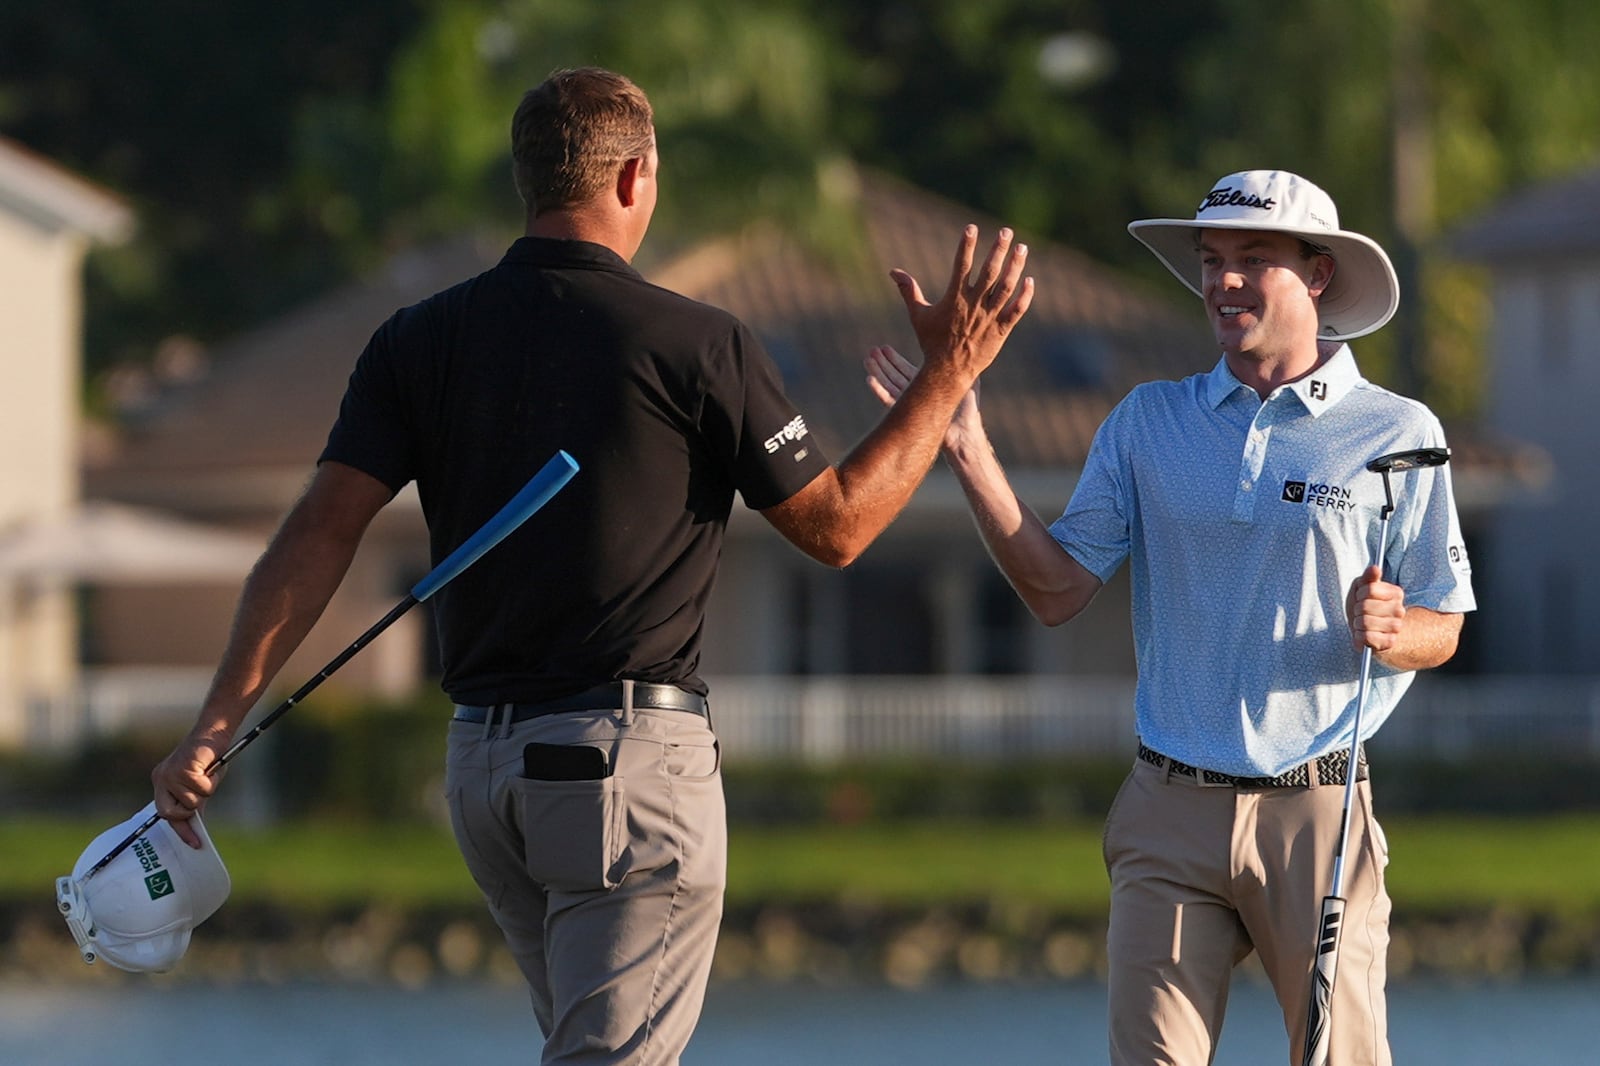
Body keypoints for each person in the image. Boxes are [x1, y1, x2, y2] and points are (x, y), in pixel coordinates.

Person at [150, 66, 1032, 1064]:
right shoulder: (696, 342)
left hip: (486, 777)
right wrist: (949, 373)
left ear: (526, 180)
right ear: (633, 179)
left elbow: (314, 534)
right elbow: (837, 528)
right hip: (621, 778)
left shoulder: (416, 338)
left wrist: (215, 722)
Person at [866, 169, 1474, 1066]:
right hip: (1167, 806)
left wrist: (1394, 627)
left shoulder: (1398, 429)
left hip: (1318, 808)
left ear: (1317, 276)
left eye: (1252, 260)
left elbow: (1445, 625)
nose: (1223, 281)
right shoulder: (1147, 420)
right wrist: (966, 446)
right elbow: (1058, 590)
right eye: (1212, 260)